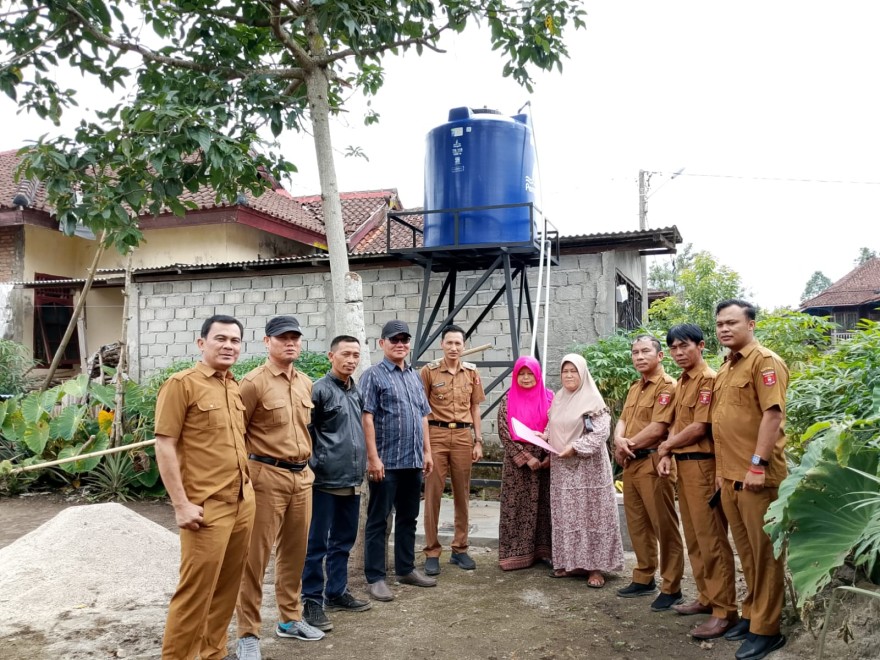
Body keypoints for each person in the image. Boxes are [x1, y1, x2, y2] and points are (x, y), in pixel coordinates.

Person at [155, 314, 255, 660]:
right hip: (206, 508)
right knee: (195, 592)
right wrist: (181, 504)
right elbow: (165, 444)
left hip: (241, 502)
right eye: (220, 339)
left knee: (227, 588)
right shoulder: (181, 385)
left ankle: (214, 653)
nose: (229, 346)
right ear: (202, 343)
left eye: (235, 340)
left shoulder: (233, 386)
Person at [235, 316, 323, 660]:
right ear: (266, 341)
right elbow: (237, 434)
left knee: (295, 553)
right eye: (282, 337)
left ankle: (289, 620)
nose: (290, 343)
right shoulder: (253, 383)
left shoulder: (305, 382)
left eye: (294, 338)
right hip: (265, 476)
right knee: (254, 558)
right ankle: (247, 633)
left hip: (301, 478)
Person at [711, 300, 788, 660]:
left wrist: (758, 464)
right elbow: (722, 423)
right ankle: (751, 613)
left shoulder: (765, 362)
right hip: (730, 477)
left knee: (765, 554)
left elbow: (772, 416)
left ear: (751, 324)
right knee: (747, 552)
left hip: (757, 476)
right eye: (719, 324)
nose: (724, 329)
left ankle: (767, 629)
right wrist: (720, 472)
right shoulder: (727, 366)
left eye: (732, 322)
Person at [657, 324, 737, 639]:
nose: (678, 353)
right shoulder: (682, 382)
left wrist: (665, 446)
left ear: (701, 346)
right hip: (684, 465)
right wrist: (668, 452)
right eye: (673, 348)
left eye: (684, 346)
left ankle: (724, 611)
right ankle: (706, 597)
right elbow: (677, 424)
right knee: (694, 537)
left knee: (712, 539)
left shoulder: (708, 379)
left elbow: (700, 427)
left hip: (704, 465)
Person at [360, 319, 436, 601]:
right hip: (386, 463)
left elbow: (423, 416)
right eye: (394, 340)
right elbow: (366, 417)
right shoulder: (373, 376)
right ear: (382, 343)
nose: (400, 344)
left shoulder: (414, 376)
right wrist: (373, 458)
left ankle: (405, 569)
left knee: (408, 518)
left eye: (404, 339)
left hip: (412, 461)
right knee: (378, 520)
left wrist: (427, 452)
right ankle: (376, 578)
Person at [301, 335, 372, 632]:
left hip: (352, 479)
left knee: (343, 540)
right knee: (316, 544)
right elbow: (306, 432)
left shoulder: (356, 391)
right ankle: (311, 600)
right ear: (331, 356)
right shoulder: (318, 390)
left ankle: (336, 592)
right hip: (324, 481)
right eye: (345, 354)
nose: (351, 360)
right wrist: (314, 465)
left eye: (356, 355)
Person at [613, 335, 685, 611]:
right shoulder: (635, 387)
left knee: (663, 525)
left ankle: (672, 587)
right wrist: (618, 440)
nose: (639, 357)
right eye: (635, 352)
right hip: (632, 463)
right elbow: (622, 419)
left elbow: (659, 427)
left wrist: (625, 445)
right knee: (638, 524)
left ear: (660, 356)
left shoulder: (668, 386)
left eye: (645, 351)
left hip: (655, 462)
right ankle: (644, 577)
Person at [546, 354, 624, 587]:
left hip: (588, 469)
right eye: (565, 371)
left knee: (591, 515)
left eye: (574, 371)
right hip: (562, 469)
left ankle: (595, 569)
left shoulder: (592, 400)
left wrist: (576, 447)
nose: (569, 375)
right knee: (568, 516)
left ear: (583, 374)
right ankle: (572, 564)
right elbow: (554, 425)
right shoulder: (559, 398)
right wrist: (545, 435)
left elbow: (600, 433)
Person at [420, 324, 487, 575]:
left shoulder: (471, 372)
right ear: (442, 344)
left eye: (458, 343)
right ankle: (432, 551)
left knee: (462, 493)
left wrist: (478, 440)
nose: (454, 347)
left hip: (462, 436)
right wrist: (425, 448)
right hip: (436, 434)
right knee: (433, 495)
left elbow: (475, 408)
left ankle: (460, 549)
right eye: (449, 343)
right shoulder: (428, 371)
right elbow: (422, 411)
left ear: (464, 346)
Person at [497, 356, 554, 571]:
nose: (526, 378)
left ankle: (544, 553)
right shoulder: (507, 399)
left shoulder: (550, 397)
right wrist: (526, 458)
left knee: (544, 508)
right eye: (521, 374)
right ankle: (514, 555)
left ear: (538, 375)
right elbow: (504, 432)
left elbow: (557, 426)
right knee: (516, 509)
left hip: (545, 461)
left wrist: (549, 457)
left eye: (530, 373)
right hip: (518, 465)